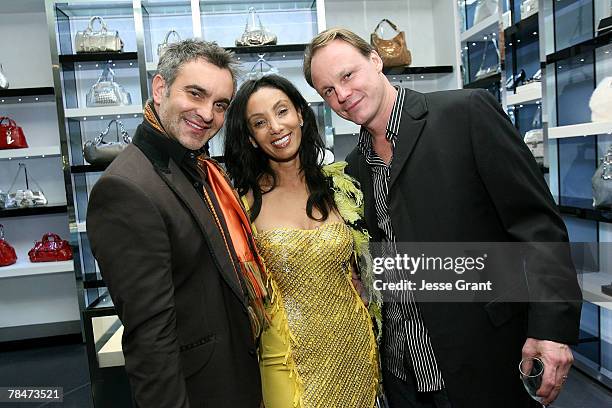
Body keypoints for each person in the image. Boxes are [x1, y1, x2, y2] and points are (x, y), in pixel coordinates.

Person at [304, 28, 582, 408]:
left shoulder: (465, 114)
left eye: (347, 75)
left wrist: (551, 330)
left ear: (375, 60)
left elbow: (537, 225)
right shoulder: (354, 169)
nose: (342, 95)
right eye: (327, 91)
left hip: (482, 360)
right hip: (402, 372)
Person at [87, 40, 266, 408]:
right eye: (195, 94)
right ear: (159, 89)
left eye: (220, 105)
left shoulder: (194, 167)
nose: (207, 114)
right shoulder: (126, 188)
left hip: (233, 379)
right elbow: (150, 339)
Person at [224, 74, 381, 408]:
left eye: (282, 112)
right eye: (260, 122)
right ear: (251, 138)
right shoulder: (241, 205)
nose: (276, 127)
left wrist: (367, 284)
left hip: (353, 348)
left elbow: (370, 256)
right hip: (287, 361)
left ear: (300, 114)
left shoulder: (339, 186)